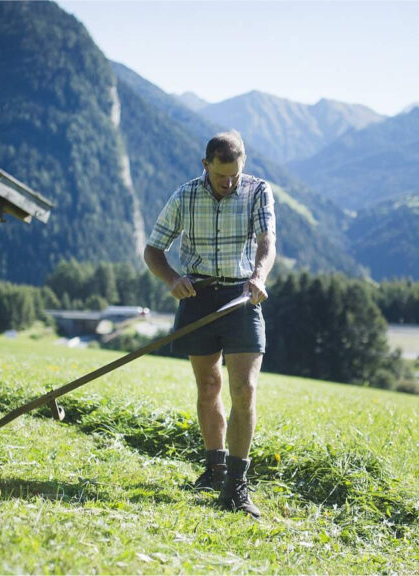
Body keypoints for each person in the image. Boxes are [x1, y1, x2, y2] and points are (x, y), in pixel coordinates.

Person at [144, 131, 276, 518]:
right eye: (222, 177)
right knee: (208, 386)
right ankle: (214, 469)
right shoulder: (185, 196)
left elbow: (267, 241)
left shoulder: (257, 191)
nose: (230, 183)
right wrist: (172, 279)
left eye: (235, 175)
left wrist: (259, 276)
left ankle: (236, 485)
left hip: (242, 297)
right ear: (206, 166)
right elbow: (153, 249)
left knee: (245, 389)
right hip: (197, 298)